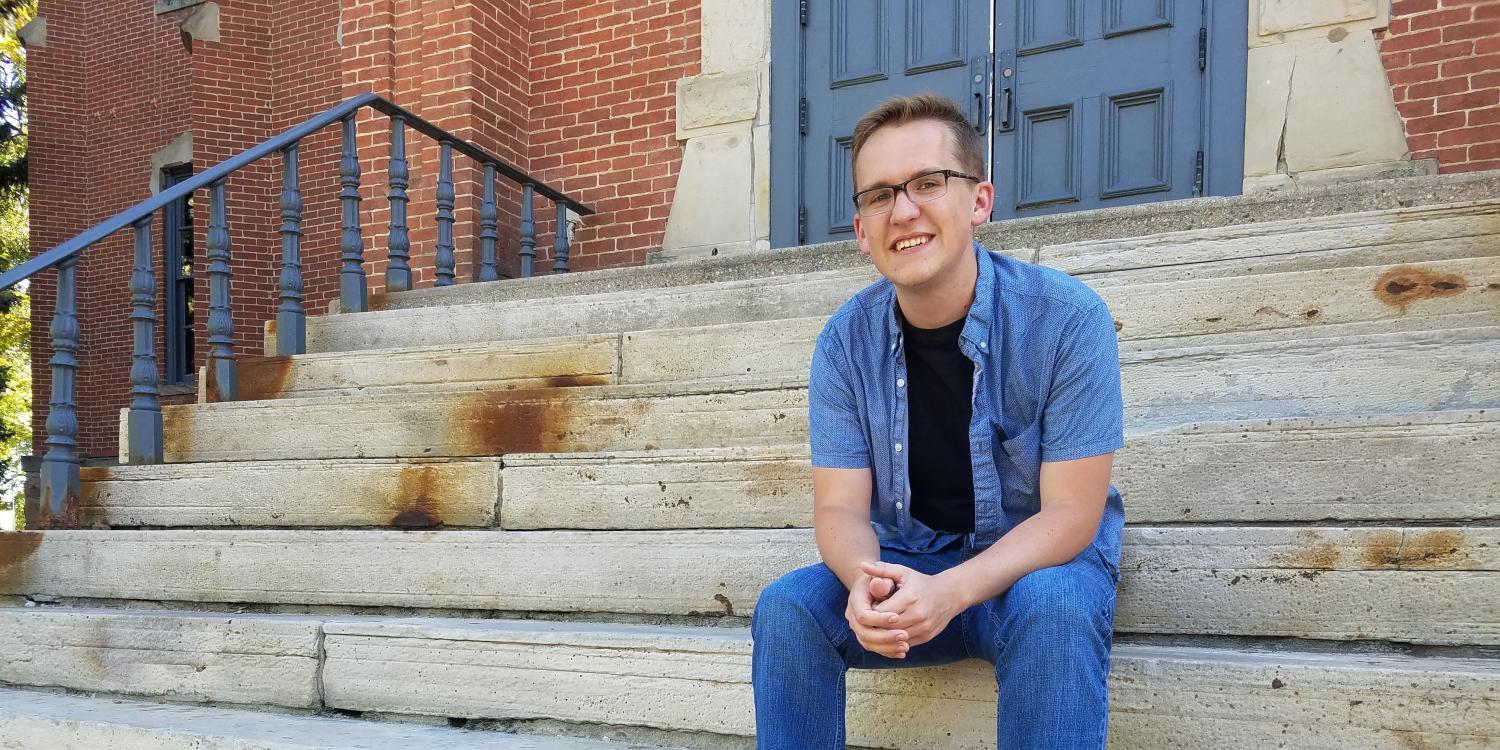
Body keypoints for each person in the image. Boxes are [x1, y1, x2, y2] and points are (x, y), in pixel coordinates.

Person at [751, 93, 1125, 749]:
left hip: (1033, 573)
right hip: (911, 560)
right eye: (879, 195)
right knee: (789, 608)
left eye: (928, 183)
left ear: (978, 200)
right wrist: (868, 583)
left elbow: (1072, 516)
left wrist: (950, 593)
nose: (903, 210)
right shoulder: (844, 343)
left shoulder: (1066, 319)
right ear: (862, 229)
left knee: (1058, 606)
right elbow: (839, 509)